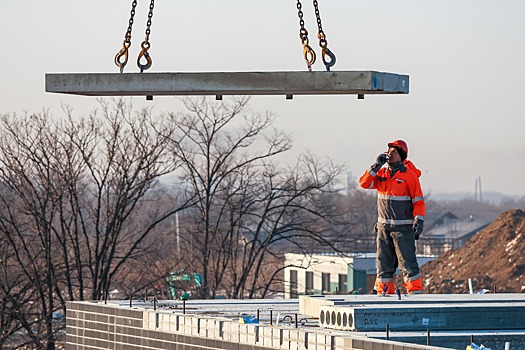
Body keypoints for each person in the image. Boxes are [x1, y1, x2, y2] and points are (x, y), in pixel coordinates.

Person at [359, 140, 425, 295]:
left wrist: (419, 219)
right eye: (388, 151)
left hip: (403, 229)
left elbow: (418, 201)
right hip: (384, 229)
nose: (389, 154)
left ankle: (415, 296)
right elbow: (364, 183)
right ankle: (384, 295)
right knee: (384, 266)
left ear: (401, 155)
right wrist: (376, 166)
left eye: (394, 151)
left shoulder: (409, 175)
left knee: (408, 264)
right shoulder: (382, 173)